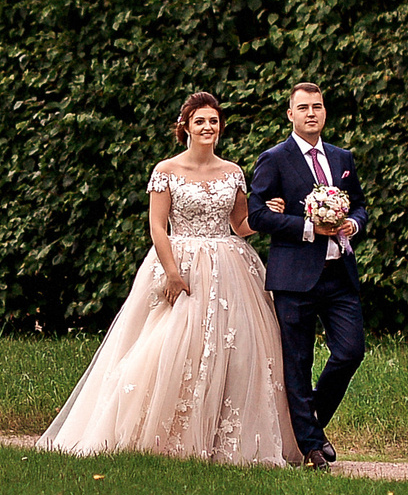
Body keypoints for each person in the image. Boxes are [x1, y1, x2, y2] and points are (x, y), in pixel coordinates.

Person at [39, 91, 301, 465]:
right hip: (181, 264)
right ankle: (167, 435)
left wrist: (267, 215)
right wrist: (173, 273)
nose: (208, 127)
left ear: (220, 126)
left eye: (213, 121)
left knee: (238, 350)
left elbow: (240, 225)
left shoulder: (233, 172)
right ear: (186, 127)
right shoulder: (166, 171)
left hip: (230, 266)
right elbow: (158, 228)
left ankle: (227, 438)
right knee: (170, 346)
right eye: (200, 121)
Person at [248, 82, 368, 468]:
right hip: (294, 277)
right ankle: (312, 447)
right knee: (296, 361)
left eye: (317, 106)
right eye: (303, 108)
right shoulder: (275, 158)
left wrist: (353, 223)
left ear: (324, 112)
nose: (311, 113)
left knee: (351, 351)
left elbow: (362, 206)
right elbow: (257, 216)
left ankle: (310, 420)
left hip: (339, 274)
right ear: (291, 115)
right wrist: (307, 227)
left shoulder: (342, 156)